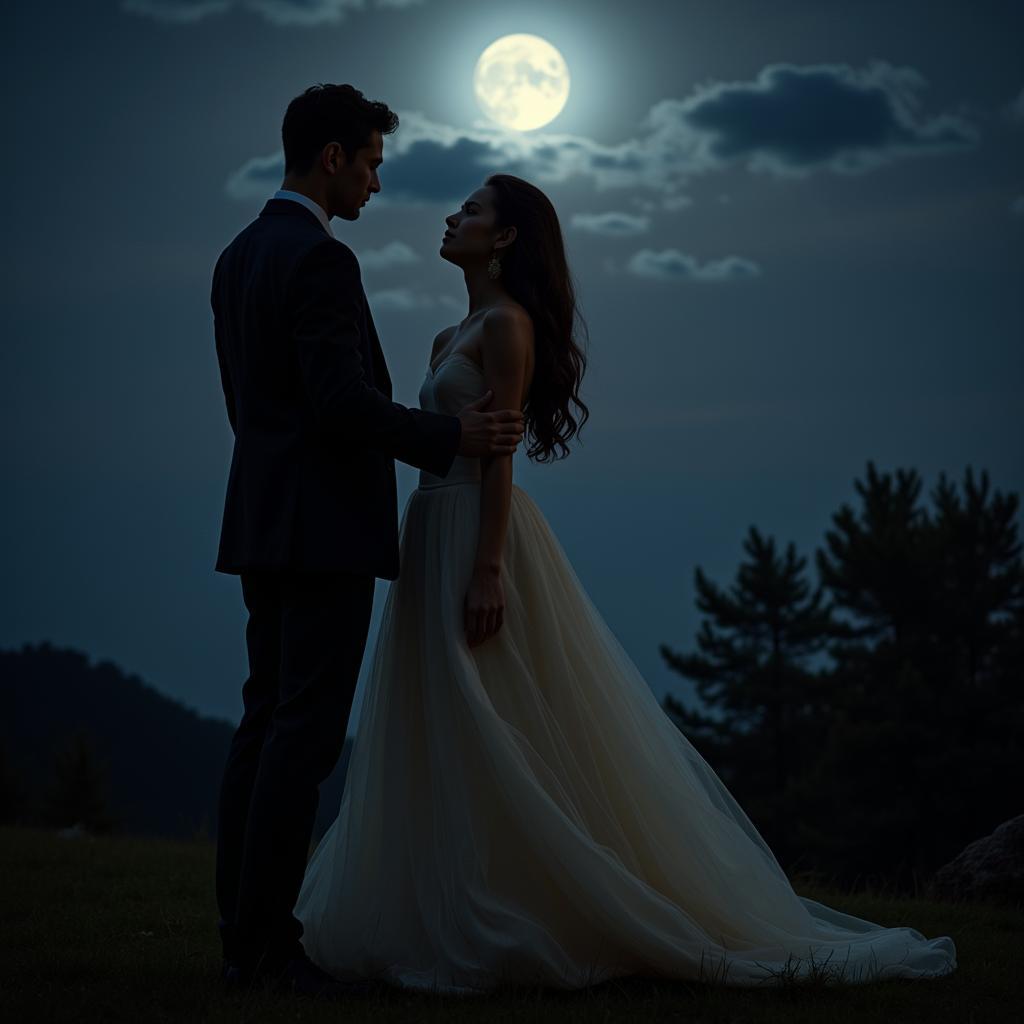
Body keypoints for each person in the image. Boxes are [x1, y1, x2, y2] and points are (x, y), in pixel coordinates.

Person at [292, 173, 959, 994]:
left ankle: (544, 907)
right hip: (428, 528)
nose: (451, 216)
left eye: (470, 211)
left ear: (503, 238)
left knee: (496, 713)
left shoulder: (507, 325)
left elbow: (497, 453)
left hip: (475, 531)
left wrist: (490, 567)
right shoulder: (447, 336)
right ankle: (449, 898)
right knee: (439, 716)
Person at [210, 84, 526, 999]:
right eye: (374, 164)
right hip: (323, 530)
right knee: (300, 737)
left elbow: (252, 405)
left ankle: (242, 938)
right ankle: (267, 951)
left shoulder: (238, 256)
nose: (379, 185)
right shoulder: (319, 260)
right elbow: (338, 404)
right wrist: (448, 438)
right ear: (335, 158)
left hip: (261, 518)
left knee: (263, 724)